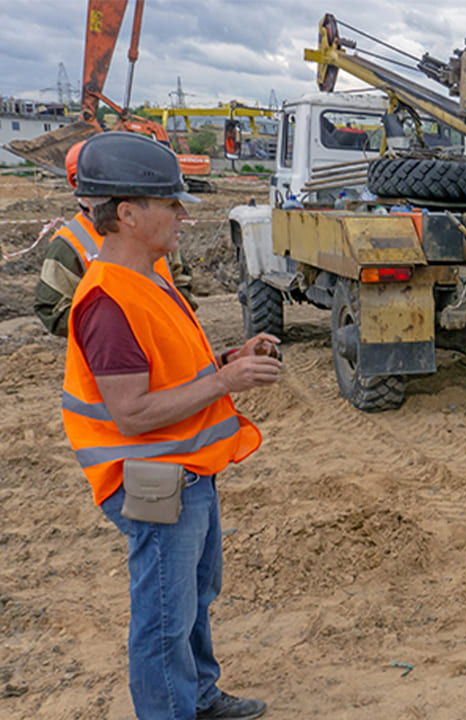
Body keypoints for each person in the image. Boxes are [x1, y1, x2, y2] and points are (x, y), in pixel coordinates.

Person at [60, 132, 282, 720]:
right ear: (128, 215)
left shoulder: (150, 279)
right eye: (171, 203)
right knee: (164, 615)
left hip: (188, 473)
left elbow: (168, 373)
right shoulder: (108, 303)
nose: (183, 215)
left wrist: (227, 362)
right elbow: (130, 413)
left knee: (193, 598)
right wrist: (223, 385)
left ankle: (199, 697)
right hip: (152, 481)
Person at [34, 141, 198, 337]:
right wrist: (113, 327)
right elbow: (53, 310)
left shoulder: (157, 232)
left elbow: (180, 279)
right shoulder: (69, 243)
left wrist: (172, 317)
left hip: (169, 336)